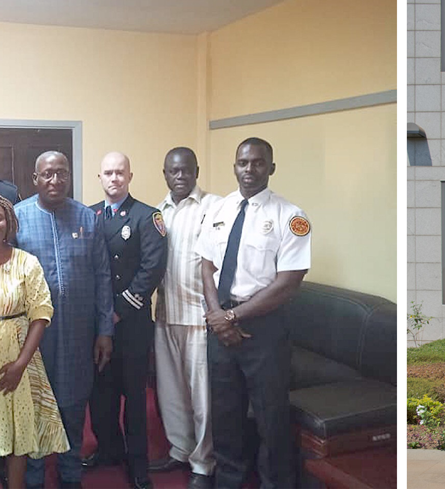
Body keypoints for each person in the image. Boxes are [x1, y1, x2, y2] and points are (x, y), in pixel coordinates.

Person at [198, 137, 310, 489]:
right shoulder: (218, 209)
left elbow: (289, 281)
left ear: (271, 168)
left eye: (258, 163)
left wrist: (233, 318)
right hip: (221, 327)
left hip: (263, 330)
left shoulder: (290, 216)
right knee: (226, 414)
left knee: (270, 418)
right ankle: (229, 481)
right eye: (243, 163)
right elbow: (206, 266)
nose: (249, 170)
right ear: (235, 166)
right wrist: (218, 315)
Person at [13, 151, 115, 488]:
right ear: (35, 179)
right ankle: (35, 478)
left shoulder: (88, 217)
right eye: (47, 174)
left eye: (61, 173)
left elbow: (102, 276)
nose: (55, 180)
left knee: (72, 408)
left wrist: (104, 331)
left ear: (69, 176)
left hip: (78, 335)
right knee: (36, 407)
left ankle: (71, 477)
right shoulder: (17, 217)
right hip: (33, 337)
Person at [0, 192, 69, 488]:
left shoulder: (26, 262)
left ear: (9, 222)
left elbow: (41, 313)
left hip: (18, 359)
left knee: (18, 431)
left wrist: (21, 363)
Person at [86, 151, 167, 489]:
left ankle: (138, 464)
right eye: (108, 173)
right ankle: (108, 449)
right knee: (100, 394)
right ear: (100, 178)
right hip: (96, 325)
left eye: (120, 172)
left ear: (130, 176)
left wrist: (116, 311)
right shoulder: (88, 215)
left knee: (134, 397)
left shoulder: (148, 217)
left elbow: (151, 270)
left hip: (131, 323)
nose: (114, 178)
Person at [152, 147, 223, 489]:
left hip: (200, 318)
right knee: (171, 392)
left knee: (202, 398)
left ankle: (203, 463)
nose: (180, 177)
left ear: (196, 170)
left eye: (186, 171)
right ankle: (179, 449)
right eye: (173, 171)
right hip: (165, 315)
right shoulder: (159, 212)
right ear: (164, 174)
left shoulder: (214, 207)